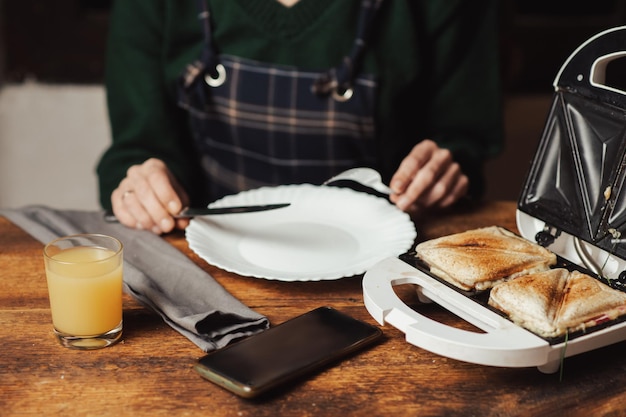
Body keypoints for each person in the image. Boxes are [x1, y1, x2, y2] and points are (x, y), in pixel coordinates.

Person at [97, 0, 503, 235]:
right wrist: (138, 187)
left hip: (383, 271)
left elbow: (462, 138)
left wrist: (448, 169)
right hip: (208, 261)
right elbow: (136, 147)